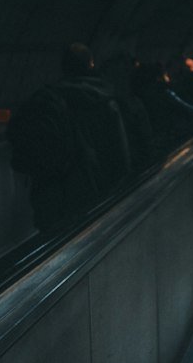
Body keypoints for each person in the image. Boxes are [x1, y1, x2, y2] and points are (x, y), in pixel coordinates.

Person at [8, 42, 132, 235]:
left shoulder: (45, 100)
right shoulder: (105, 102)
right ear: (91, 65)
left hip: (50, 200)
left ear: (63, 68)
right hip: (92, 197)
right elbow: (120, 159)